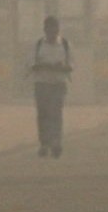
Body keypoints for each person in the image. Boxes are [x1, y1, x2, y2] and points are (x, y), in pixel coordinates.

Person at [29, 15, 75, 157]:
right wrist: (42, 66)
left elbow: (72, 64)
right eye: (49, 29)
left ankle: (56, 142)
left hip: (58, 84)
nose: (52, 32)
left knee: (56, 113)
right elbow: (30, 64)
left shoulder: (65, 45)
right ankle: (44, 143)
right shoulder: (38, 45)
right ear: (44, 30)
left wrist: (62, 67)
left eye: (54, 29)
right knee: (43, 114)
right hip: (42, 84)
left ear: (58, 29)